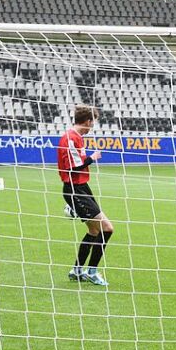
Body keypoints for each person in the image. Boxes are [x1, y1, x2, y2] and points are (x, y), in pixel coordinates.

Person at [58, 105, 113, 287]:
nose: (92, 126)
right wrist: (93, 157)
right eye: (93, 122)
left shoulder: (75, 137)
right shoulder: (71, 138)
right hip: (75, 189)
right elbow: (75, 165)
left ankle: (76, 270)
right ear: (88, 121)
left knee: (94, 231)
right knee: (107, 228)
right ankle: (92, 271)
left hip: (81, 187)